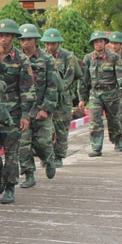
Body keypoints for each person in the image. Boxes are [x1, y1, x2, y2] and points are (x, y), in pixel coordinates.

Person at [0, 19, 36, 203]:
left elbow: (27, 89)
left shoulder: (21, 59)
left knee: (12, 153)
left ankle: (10, 187)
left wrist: (26, 116)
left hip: (13, 113)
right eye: (1, 35)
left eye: (7, 36)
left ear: (13, 37)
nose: (4, 39)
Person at [18, 23, 58, 187]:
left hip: (41, 107)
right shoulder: (17, 59)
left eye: (28, 39)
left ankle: (49, 159)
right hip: (23, 110)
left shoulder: (47, 59)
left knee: (42, 143)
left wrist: (46, 109)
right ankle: (29, 175)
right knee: (23, 144)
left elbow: (52, 86)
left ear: (35, 39)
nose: (25, 42)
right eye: (22, 39)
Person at [78, 30, 122, 157]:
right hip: (95, 94)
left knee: (114, 120)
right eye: (95, 42)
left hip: (111, 93)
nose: (98, 44)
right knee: (95, 120)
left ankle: (118, 141)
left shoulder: (113, 57)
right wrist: (82, 98)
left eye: (100, 41)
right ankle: (96, 147)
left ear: (105, 43)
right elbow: (84, 80)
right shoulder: (88, 58)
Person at [41, 28, 81, 167]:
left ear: (58, 42)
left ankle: (59, 156)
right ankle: (46, 155)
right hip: (45, 97)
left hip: (62, 98)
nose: (50, 46)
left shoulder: (67, 56)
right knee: (45, 128)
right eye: (47, 43)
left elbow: (70, 77)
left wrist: (59, 87)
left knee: (61, 128)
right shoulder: (41, 55)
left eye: (53, 43)